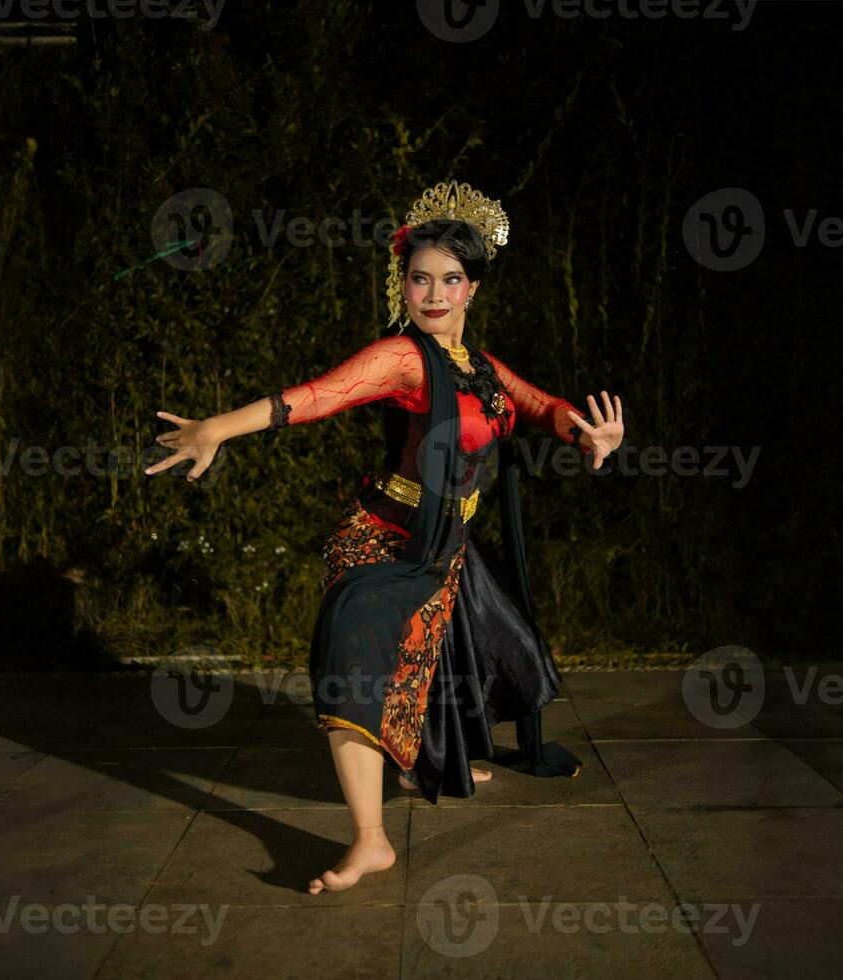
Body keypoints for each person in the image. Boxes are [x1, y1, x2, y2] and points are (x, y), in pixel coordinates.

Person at [144, 181, 625, 895]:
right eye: (418, 278)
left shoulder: (480, 368)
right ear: (402, 283)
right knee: (353, 660)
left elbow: (537, 406)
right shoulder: (401, 359)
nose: (432, 293)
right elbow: (314, 397)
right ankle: (370, 841)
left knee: (439, 660)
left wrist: (586, 435)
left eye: (449, 280)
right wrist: (216, 427)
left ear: (471, 288)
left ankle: (444, 759)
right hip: (382, 542)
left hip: (442, 548)